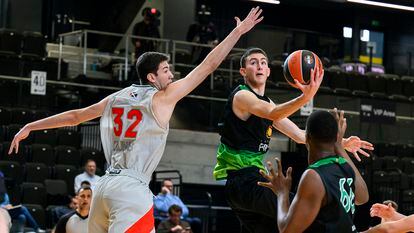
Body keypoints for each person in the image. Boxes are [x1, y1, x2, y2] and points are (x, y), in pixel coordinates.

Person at [9, 7, 264, 233]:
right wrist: (238, 32)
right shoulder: (162, 98)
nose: (172, 75)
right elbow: (208, 66)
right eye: (166, 70)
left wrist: (31, 126)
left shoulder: (115, 97)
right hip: (131, 189)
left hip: (105, 188)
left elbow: (75, 117)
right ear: (152, 77)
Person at [213, 47, 373, 232]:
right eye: (253, 62)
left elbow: (298, 135)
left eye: (263, 63)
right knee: (299, 215)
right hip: (244, 181)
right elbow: (274, 113)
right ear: (243, 71)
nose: (259, 66)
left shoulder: (266, 102)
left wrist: (341, 142)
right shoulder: (242, 96)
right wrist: (306, 96)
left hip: (247, 184)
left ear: (268, 71)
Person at [258, 109, 369, 232]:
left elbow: (286, 230)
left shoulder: (313, 176)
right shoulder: (344, 165)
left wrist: (282, 193)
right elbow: (363, 198)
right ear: (336, 138)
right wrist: (339, 146)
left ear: (307, 138)